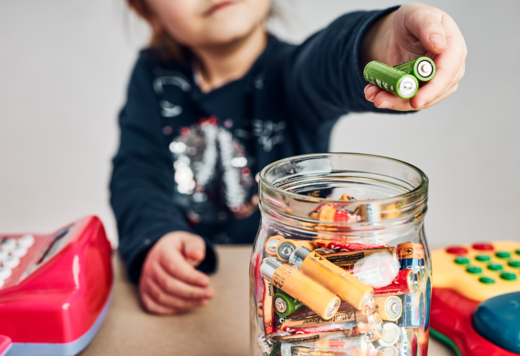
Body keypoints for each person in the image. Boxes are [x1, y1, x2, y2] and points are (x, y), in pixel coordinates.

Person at [111, 0, 466, 314]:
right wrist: (155, 237)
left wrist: (380, 40)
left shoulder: (291, 73)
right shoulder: (152, 77)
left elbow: (330, 59)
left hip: (305, 288)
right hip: (200, 292)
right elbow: (136, 171)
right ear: (147, 10)